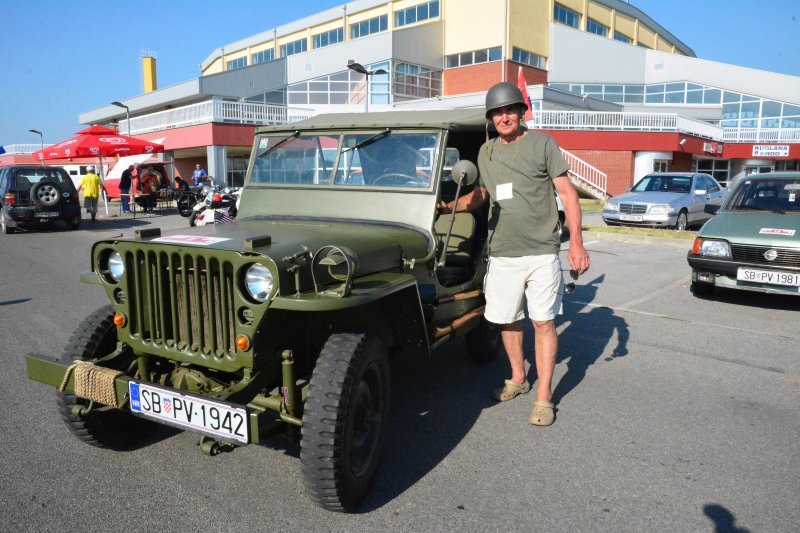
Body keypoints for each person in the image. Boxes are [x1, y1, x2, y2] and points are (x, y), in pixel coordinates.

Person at [438, 81, 590, 426]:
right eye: (497, 112)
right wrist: (447, 207)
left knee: (543, 321)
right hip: (503, 252)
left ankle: (543, 396)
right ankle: (519, 378)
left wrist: (577, 243)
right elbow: (481, 196)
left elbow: (567, 193)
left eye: (510, 110)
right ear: (490, 118)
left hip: (540, 251)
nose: (504, 117)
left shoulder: (542, 144)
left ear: (521, 112)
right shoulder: (486, 152)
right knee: (507, 318)